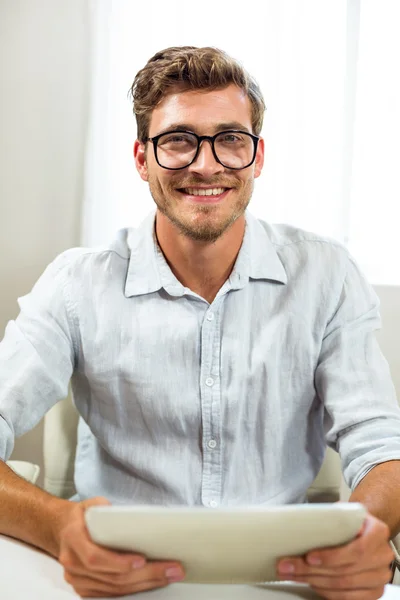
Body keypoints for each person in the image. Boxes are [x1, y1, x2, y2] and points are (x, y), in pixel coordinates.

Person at [0, 45, 399, 599]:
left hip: (280, 580)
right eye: (178, 140)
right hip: (117, 582)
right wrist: (57, 526)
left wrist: (365, 534)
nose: (205, 164)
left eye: (231, 139)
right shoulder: (76, 285)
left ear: (258, 156)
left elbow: (381, 445)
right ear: (142, 159)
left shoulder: (326, 274)